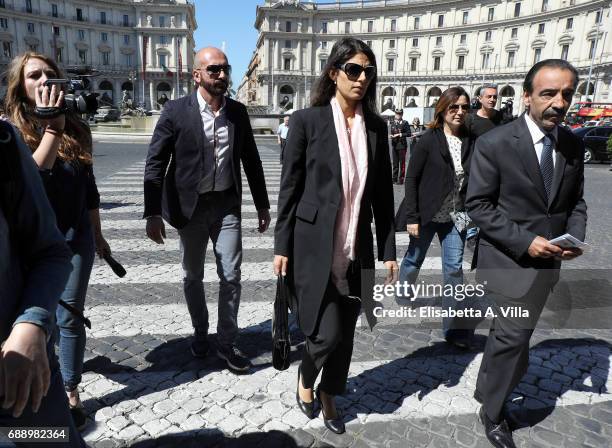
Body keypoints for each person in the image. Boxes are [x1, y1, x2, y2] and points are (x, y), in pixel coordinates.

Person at [274, 38, 397, 435]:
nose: (362, 78)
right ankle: (306, 378)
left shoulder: (377, 128)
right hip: (313, 246)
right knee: (324, 333)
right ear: (334, 73)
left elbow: (382, 196)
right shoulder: (307, 121)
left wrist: (388, 251)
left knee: (345, 333)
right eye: (354, 70)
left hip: (355, 247)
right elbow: (290, 189)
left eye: (368, 71)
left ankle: (330, 394)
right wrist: (281, 246)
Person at [466, 59, 587, 448]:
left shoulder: (571, 143)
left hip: (549, 263)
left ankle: (487, 388)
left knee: (513, 336)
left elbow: (576, 203)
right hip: (506, 262)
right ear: (527, 96)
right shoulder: (495, 143)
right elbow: (479, 206)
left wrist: (575, 239)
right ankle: (494, 412)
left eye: (566, 94)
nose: (559, 102)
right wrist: (525, 241)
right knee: (513, 338)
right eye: (548, 93)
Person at [144, 47, 271, 373]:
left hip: (226, 205)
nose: (222, 75)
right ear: (197, 75)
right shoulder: (175, 111)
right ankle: (200, 332)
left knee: (231, 275)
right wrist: (152, 212)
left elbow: (252, 162)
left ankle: (226, 343)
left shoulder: (238, 113)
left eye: (225, 69)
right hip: (191, 208)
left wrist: (262, 205)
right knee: (193, 275)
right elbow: (155, 162)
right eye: (214, 70)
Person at [4, 51, 110, 430]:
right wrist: (51, 129)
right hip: (28, 244)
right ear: (19, 88)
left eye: (51, 74)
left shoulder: (76, 127)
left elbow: (89, 186)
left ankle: (69, 387)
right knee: (35, 314)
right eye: (35, 76)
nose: (46, 81)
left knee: (70, 316)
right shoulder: (10, 133)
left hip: (72, 236)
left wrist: (97, 233)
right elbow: (29, 186)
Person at [0, 121, 87, 448]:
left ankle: (71, 387)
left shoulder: (4, 143)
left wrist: (30, 324)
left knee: (50, 438)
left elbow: (48, 249)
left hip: (16, 374)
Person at [396, 87, 475, 348]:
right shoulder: (428, 140)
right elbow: (411, 178)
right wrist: (412, 217)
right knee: (414, 259)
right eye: (454, 107)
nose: (460, 112)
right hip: (428, 214)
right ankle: (404, 294)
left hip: (457, 216)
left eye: (464, 107)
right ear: (443, 109)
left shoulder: (471, 140)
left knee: (454, 269)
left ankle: (453, 329)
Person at [464, 85, 504, 247]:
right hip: (474, 167)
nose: (492, 99)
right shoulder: (470, 119)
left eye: (495, 97)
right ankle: (470, 234)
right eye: (489, 96)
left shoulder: (502, 118)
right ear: (480, 99)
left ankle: (487, 231)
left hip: (497, 167)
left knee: (492, 201)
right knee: (470, 200)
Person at [389, 109, 411, 185]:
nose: (398, 115)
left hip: (402, 146)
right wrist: (391, 136)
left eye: (399, 114)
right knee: (395, 163)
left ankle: (401, 179)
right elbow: (392, 132)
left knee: (402, 164)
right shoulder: (392, 123)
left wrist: (400, 134)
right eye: (397, 114)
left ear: (402, 115)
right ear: (395, 114)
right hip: (394, 145)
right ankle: (394, 178)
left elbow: (409, 133)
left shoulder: (405, 123)